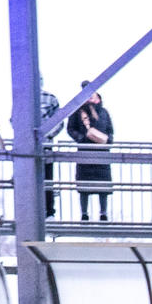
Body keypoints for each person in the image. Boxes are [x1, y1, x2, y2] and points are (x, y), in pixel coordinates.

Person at [66, 82, 114, 221]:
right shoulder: (78, 111)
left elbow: (110, 130)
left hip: (99, 152)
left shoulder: (103, 112)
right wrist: (81, 139)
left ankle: (103, 212)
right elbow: (71, 129)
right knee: (84, 185)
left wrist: (108, 139)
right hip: (88, 152)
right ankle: (85, 213)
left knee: (102, 185)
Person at [37, 86, 66, 218]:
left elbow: (14, 120)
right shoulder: (51, 98)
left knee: (44, 179)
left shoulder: (50, 98)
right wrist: (48, 135)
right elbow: (59, 122)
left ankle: (47, 211)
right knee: (47, 179)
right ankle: (48, 212)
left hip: (39, 146)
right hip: (44, 145)